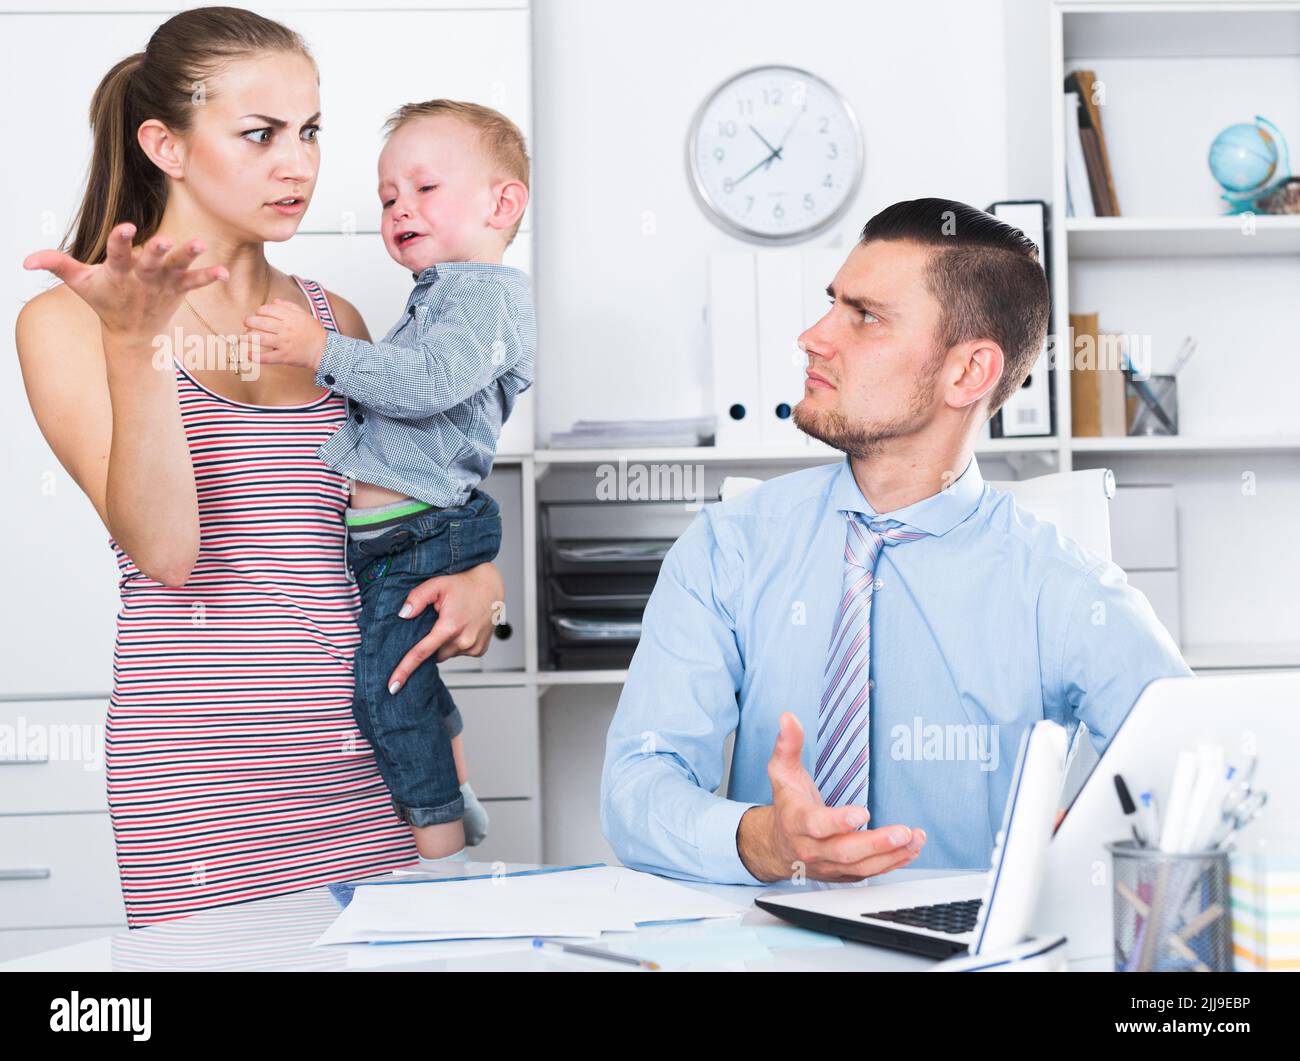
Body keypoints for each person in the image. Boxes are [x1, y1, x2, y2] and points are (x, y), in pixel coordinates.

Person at [15, 6, 504, 927]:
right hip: (200, 781)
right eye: (261, 134)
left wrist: (478, 574)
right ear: (163, 143)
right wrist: (139, 343)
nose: (301, 164)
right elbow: (166, 550)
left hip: (370, 762)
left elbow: (403, 519)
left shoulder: (337, 324)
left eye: (311, 131)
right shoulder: (69, 323)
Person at [601, 198, 1193, 886]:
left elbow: (1199, 785)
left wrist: (1094, 848)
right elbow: (636, 786)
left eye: (866, 317)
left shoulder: (1066, 588)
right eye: (833, 305)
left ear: (968, 372)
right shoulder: (728, 548)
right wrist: (760, 837)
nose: (813, 336)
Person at [243, 99, 534, 864]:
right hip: (395, 535)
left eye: (424, 188)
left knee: (384, 682)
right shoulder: (442, 293)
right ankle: (458, 789)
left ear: (504, 203)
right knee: (397, 665)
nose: (400, 206)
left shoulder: (487, 294)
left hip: (424, 528)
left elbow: (429, 383)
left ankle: (438, 850)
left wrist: (321, 348)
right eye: (386, 198)